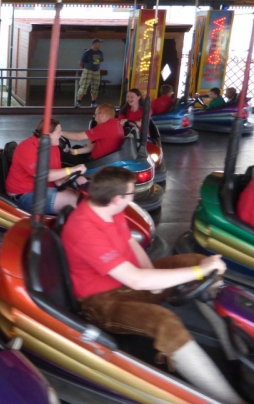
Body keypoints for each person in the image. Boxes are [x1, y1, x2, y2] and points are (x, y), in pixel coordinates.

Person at [61, 167, 243, 404]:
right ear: (116, 198)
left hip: (130, 278)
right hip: (102, 301)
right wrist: (199, 272)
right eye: (130, 193)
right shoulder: (84, 229)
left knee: (196, 260)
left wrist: (152, 273)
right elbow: (135, 280)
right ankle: (228, 399)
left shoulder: (110, 210)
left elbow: (130, 244)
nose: (133, 197)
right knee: (166, 322)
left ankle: (233, 349)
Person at [5, 118, 87, 214]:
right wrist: (72, 169)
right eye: (58, 132)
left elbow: (56, 175)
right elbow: (43, 175)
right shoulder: (27, 148)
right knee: (74, 200)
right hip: (23, 195)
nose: (61, 134)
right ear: (48, 135)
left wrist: (69, 181)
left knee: (83, 182)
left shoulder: (54, 147)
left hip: (45, 187)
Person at [60, 103, 125, 165]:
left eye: (95, 115)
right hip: (103, 159)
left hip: (96, 163)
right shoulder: (116, 124)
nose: (95, 118)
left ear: (102, 115)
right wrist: (76, 151)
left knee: (63, 156)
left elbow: (78, 137)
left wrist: (59, 132)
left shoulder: (105, 127)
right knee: (76, 147)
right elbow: (95, 146)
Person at [76, 38, 104, 108]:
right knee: (83, 86)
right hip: (88, 70)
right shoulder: (87, 52)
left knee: (95, 87)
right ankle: (78, 102)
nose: (100, 45)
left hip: (96, 71)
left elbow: (98, 61)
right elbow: (80, 62)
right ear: (94, 44)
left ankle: (93, 102)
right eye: (99, 43)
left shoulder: (99, 52)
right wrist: (85, 69)